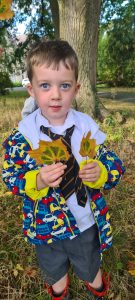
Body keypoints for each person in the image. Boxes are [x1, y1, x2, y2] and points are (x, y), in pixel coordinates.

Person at [2, 40, 125, 300]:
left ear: (76, 89)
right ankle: (60, 293)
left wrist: (101, 171)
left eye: (65, 85)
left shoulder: (85, 127)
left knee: (90, 265)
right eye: (45, 85)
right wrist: (37, 179)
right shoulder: (23, 136)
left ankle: (97, 290)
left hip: (84, 223)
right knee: (54, 270)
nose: (55, 94)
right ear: (31, 90)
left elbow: (115, 164)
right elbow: (10, 177)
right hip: (45, 226)